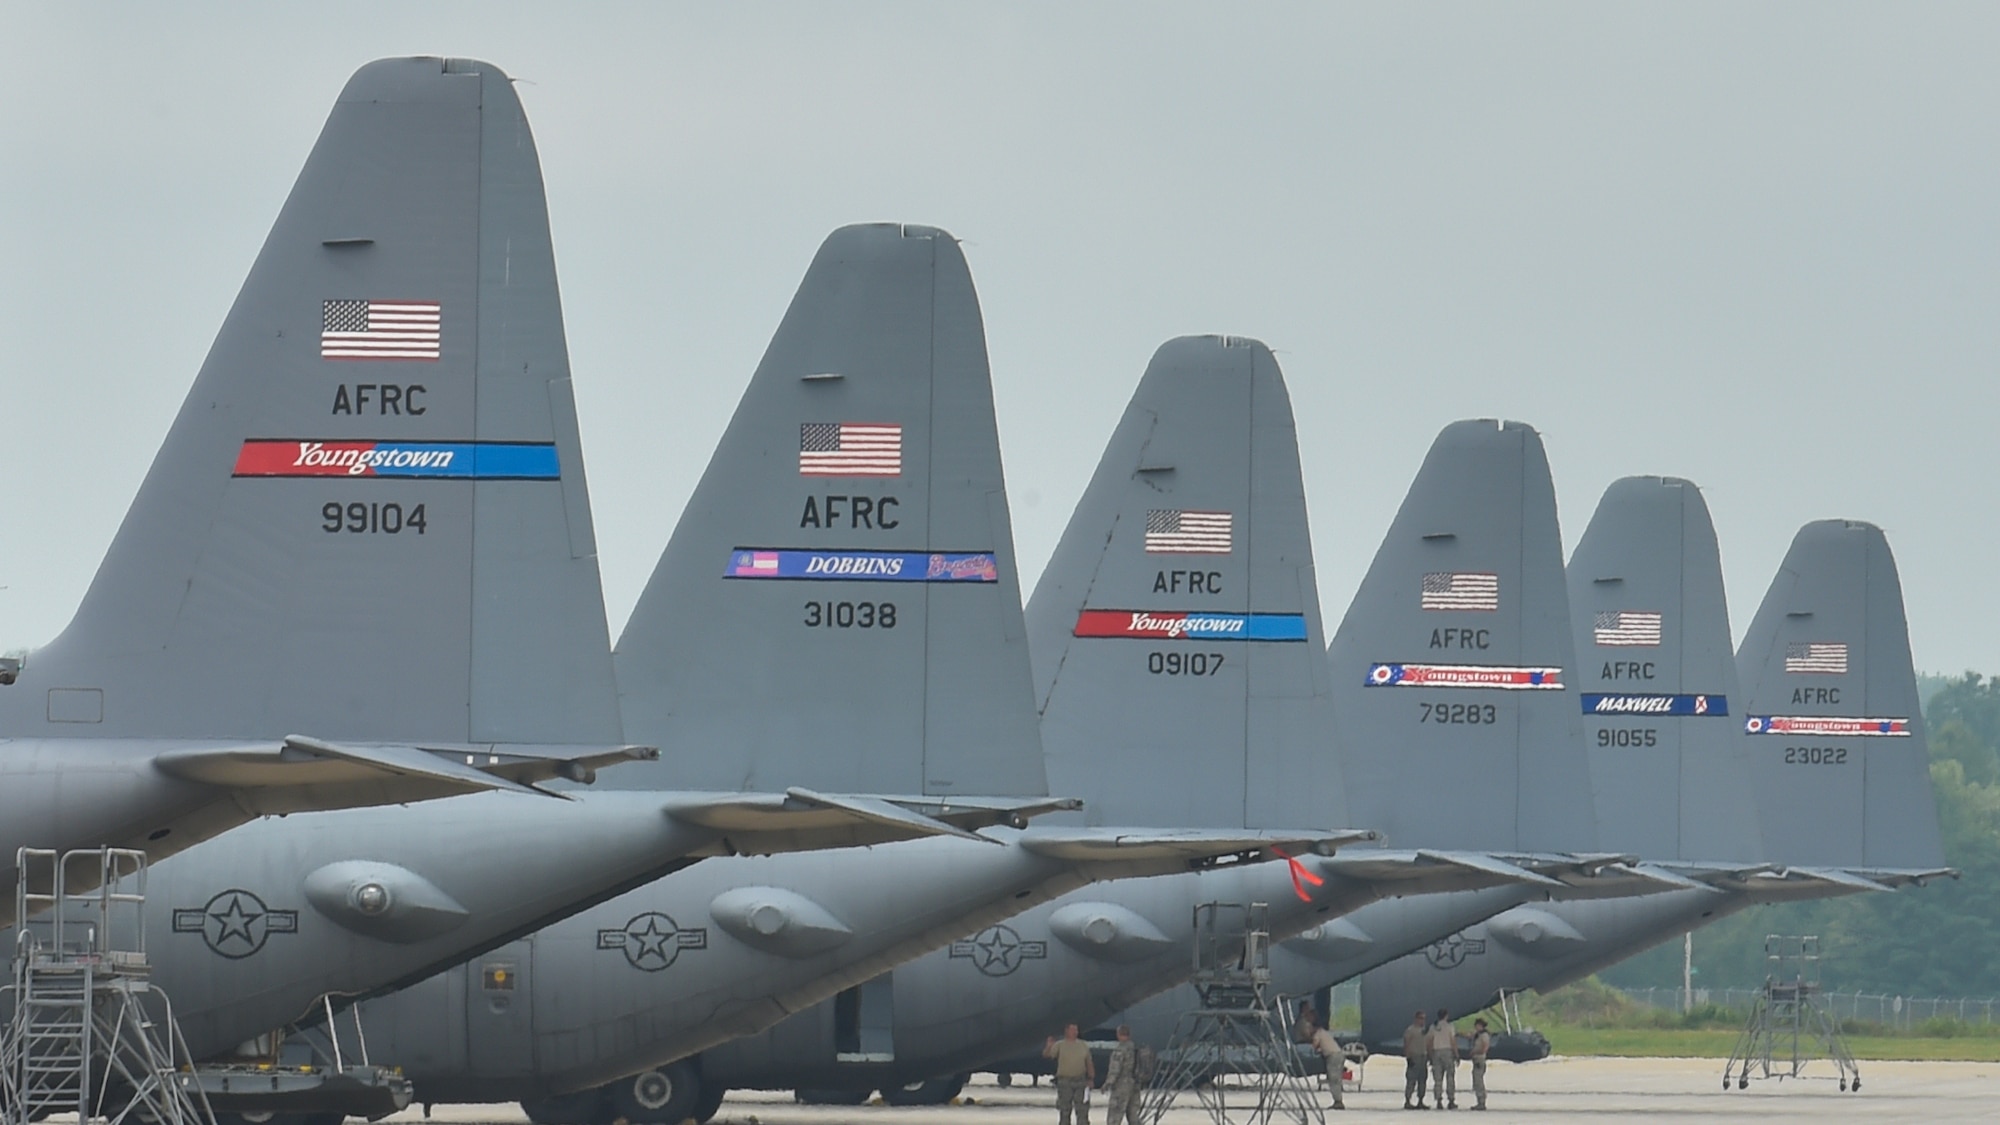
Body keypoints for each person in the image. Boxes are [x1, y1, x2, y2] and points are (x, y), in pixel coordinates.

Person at [1044, 1023, 1096, 1125]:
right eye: (1073, 1030)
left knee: (1082, 1111)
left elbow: (1089, 1063)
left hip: (1081, 1081)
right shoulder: (1060, 1045)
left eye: (1076, 1030)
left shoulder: (1083, 1045)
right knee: (1064, 1111)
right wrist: (1049, 1046)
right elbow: (1047, 1055)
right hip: (1065, 1082)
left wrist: (1091, 1079)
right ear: (1066, 1031)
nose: (1075, 1032)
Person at [1102, 1024, 1143, 1125]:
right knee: (1133, 1115)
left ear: (1119, 1034)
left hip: (1121, 1086)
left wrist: (1108, 1083)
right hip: (1135, 1085)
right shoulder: (1135, 1048)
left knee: (1115, 1115)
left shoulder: (1120, 1050)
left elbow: (1115, 1069)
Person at [1309, 1022, 1347, 1110]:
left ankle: (1338, 1101)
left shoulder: (1317, 1034)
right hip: (1339, 1054)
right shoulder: (1324, 1032)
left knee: (1333, 1079)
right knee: (1337, 1079)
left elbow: (1314, 1046)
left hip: (1332, 1057)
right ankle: (1338, 1099)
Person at [1428, 1008, 1458, 1110]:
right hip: (1447, 1052)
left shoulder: (1433, 1027)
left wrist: (1430, 1055)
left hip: (1436, 1052)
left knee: (1438, 1079)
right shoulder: (1449, 1026)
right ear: (1446, 1015)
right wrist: (1456, 1054)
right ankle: (1451, 1100)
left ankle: (1439, 1100)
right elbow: (1453, 1041)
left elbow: (1430, 1042)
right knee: (1450, 1077)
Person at [1401, 1009, 1429, 1110]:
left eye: (1424, 1019)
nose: (1422, 1021)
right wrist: (1408, 1057)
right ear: (1416, 1019)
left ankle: (1420, 1100)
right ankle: (1408, 1100)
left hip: (1423, 1057)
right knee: (1411, 1080)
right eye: (1421, 1018)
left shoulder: (1424, 1030)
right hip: (1414, 1056)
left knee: (1422, 1080)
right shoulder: (1410, 1030)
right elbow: (1406, 1044)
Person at [1468, 1018, 1492, 1111]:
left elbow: (1485, 1048)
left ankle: (1481, 1101)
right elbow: (1471, 1036)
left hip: (1479, 1059)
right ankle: (1479, 1101)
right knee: (1476, 1080)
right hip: (1476, 1059)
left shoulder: (1484, 1035)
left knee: (1478, 1081)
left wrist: (1475, 1052)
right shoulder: (1478, 1035)